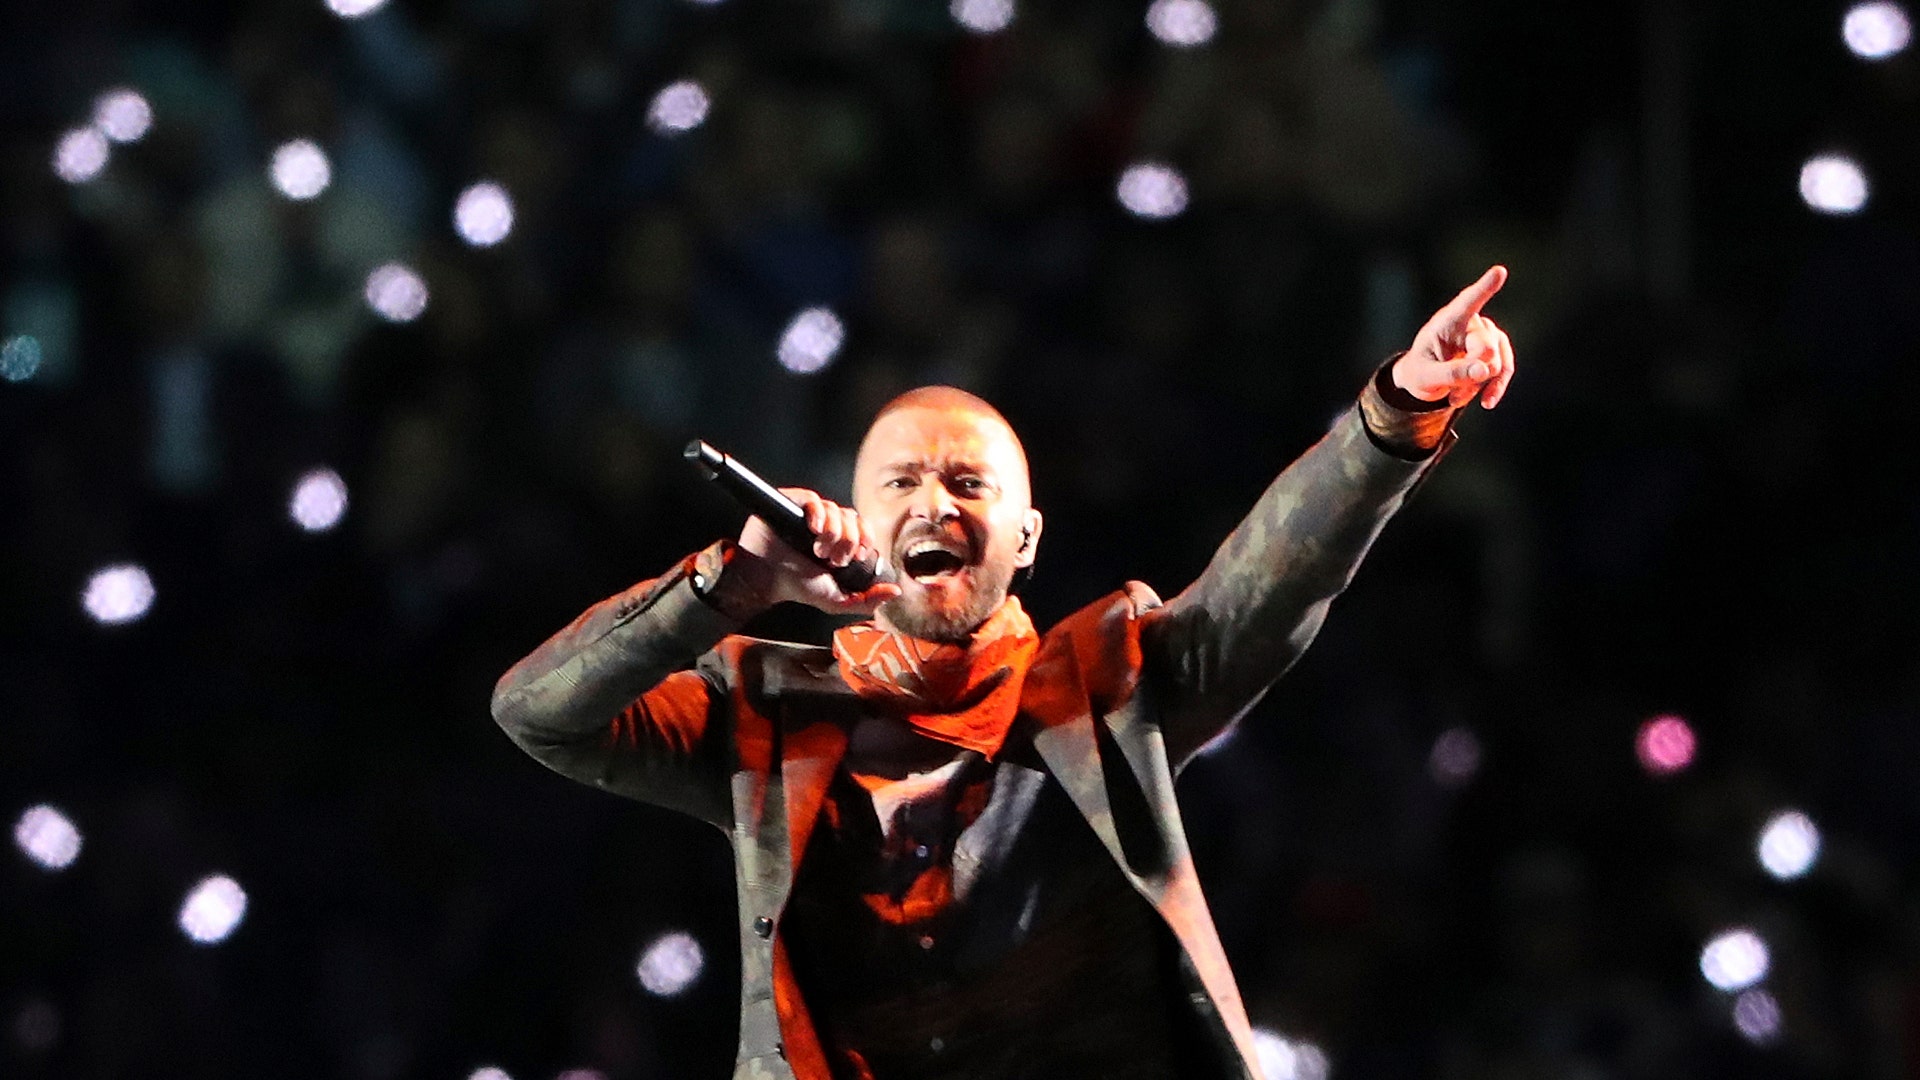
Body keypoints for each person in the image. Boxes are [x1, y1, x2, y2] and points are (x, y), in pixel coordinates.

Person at [492, 267, 1517, 1080]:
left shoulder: (1111, 681)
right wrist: (732, 583)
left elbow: (1275, 576)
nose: (933, 503)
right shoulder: (764, 712)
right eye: (900, 481)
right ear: (857, 521)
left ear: (1025, 538)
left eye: (967, 482)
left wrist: (1397, 410)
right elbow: (538, 714)